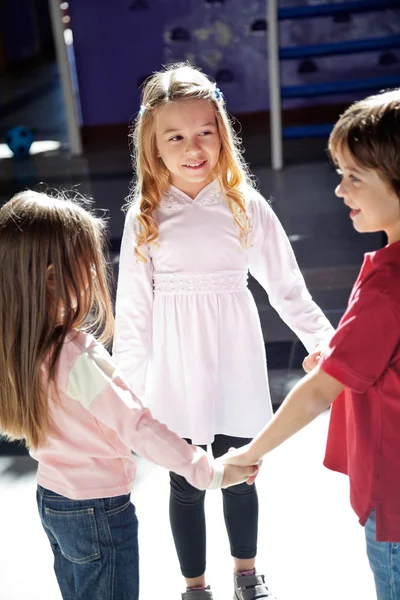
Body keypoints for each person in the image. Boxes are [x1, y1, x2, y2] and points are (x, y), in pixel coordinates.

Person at [113, 62, 334, 600]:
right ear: (154, 147)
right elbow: (135, 314)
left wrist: (327, 345)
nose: (194, 147)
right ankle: (195, 585)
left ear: (222, 134)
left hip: (234, 358)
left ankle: (246, 572)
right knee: (186, 481)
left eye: (205, 133)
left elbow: (286, 287)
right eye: (177, 136)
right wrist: (123, 396)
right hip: (176, 368)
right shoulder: (144, 215)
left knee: (241, 470)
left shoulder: (245, 206)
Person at [0, 190, 256, 600]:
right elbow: (135, 425)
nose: (95, 270)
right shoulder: (74, 355)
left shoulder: (16, 345)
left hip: (53, 500)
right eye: (85, 262)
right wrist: (209, 471)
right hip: (98, 511)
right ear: (52, 276)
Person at [224, 88, 400, 600]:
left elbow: (320, 391)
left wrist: (249, 454)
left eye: (354, 177)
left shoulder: (388, 286)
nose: (341, 191)